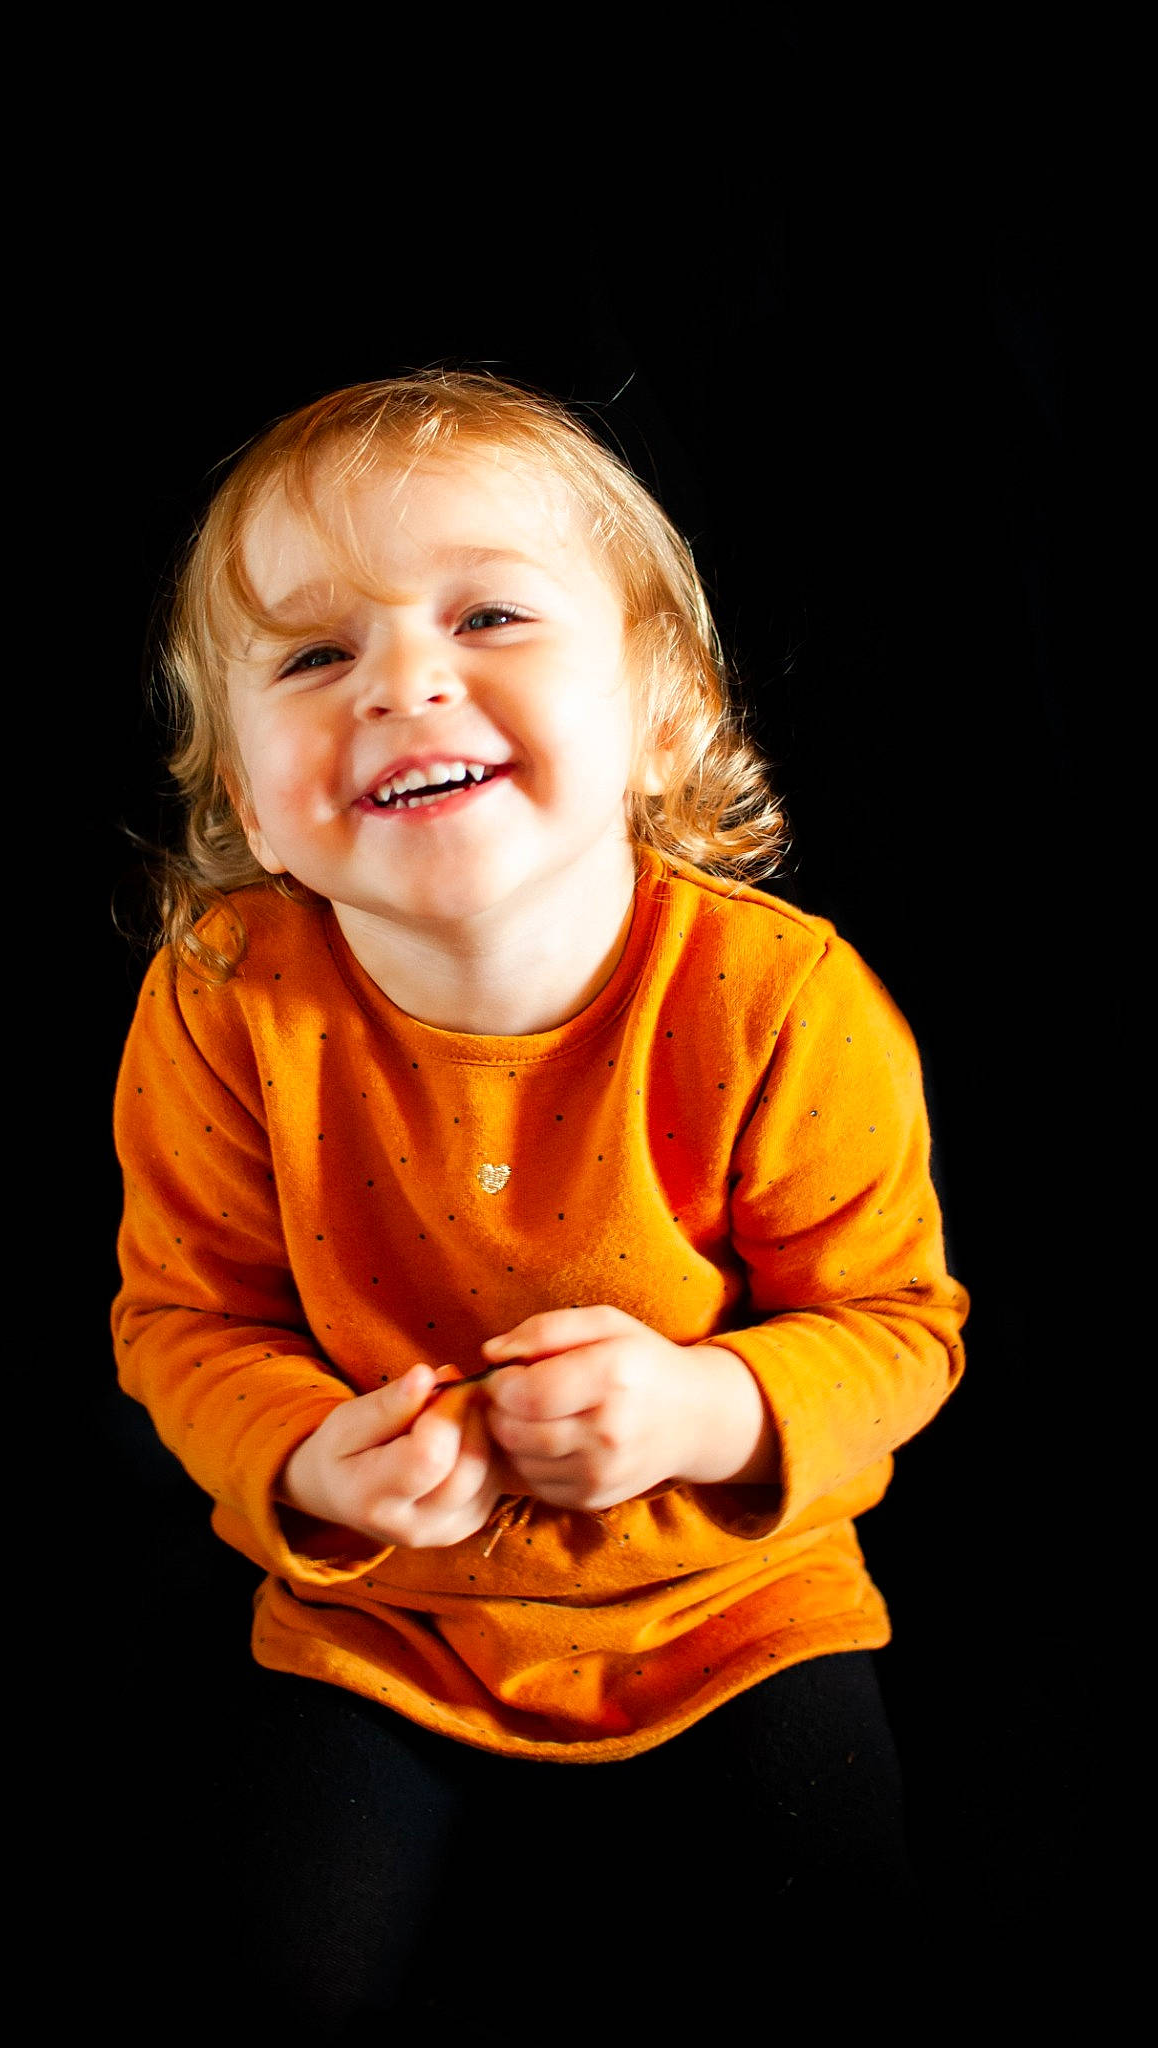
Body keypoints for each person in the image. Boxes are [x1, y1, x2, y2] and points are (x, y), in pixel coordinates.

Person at [111, 369, 968, 2029]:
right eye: (312, 655)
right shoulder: (226, 996)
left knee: (853, 1964)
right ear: (241, 785)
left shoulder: (776, 1002)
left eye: (488, 615)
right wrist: (297, 1450)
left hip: (734, 1607)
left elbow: (901, 1330)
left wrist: (710, 1406)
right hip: (391, 1621)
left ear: (663, 701)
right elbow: (182, 1315)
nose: (403, 685)